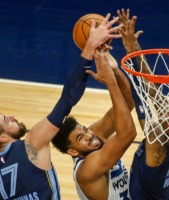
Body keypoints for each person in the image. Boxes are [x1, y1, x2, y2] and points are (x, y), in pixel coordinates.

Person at [0, 13, 123, 200]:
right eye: (6, 120)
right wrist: (90, 47)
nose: (11, 117)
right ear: (3, 137)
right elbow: (68, 98)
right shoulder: (32, 143)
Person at [51, 10, 140, 199]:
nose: (90, 135)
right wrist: (110, 83)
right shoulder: (87, 170)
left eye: (84, 129)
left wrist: (114, 70)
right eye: (81, 137)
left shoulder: (93, 137)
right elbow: (128, 134)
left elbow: (128, 102)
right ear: (73, 151)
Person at [118, 9, 169, 200]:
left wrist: (121, 67)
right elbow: (153, 93)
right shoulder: (167, 139)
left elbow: (143, 96)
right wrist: (133, 48)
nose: (167, 112)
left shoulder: (156, 146)